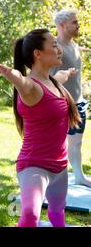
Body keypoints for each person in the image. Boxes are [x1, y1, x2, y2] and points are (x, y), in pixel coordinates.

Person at [0, 28, 80, 227]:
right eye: (53, 45)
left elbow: (61, 76)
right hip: (35, 166)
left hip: (60, 166)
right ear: (38, 53)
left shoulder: (54, 82)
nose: (59, 48)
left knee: (57, 213)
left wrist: (69, 73)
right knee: (29, 215)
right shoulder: (31, 87)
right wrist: (10, 74)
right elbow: (22, 82)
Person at [51, 10, 91, 187]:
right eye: (74, 22)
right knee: (56, 143)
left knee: (76, 142)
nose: (78, 25)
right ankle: (53, 178)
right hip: (60, 102)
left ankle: (79, 177)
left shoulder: (74, 45)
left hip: (78, 102)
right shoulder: (53, 47)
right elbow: (45, 75)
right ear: (61, 25)